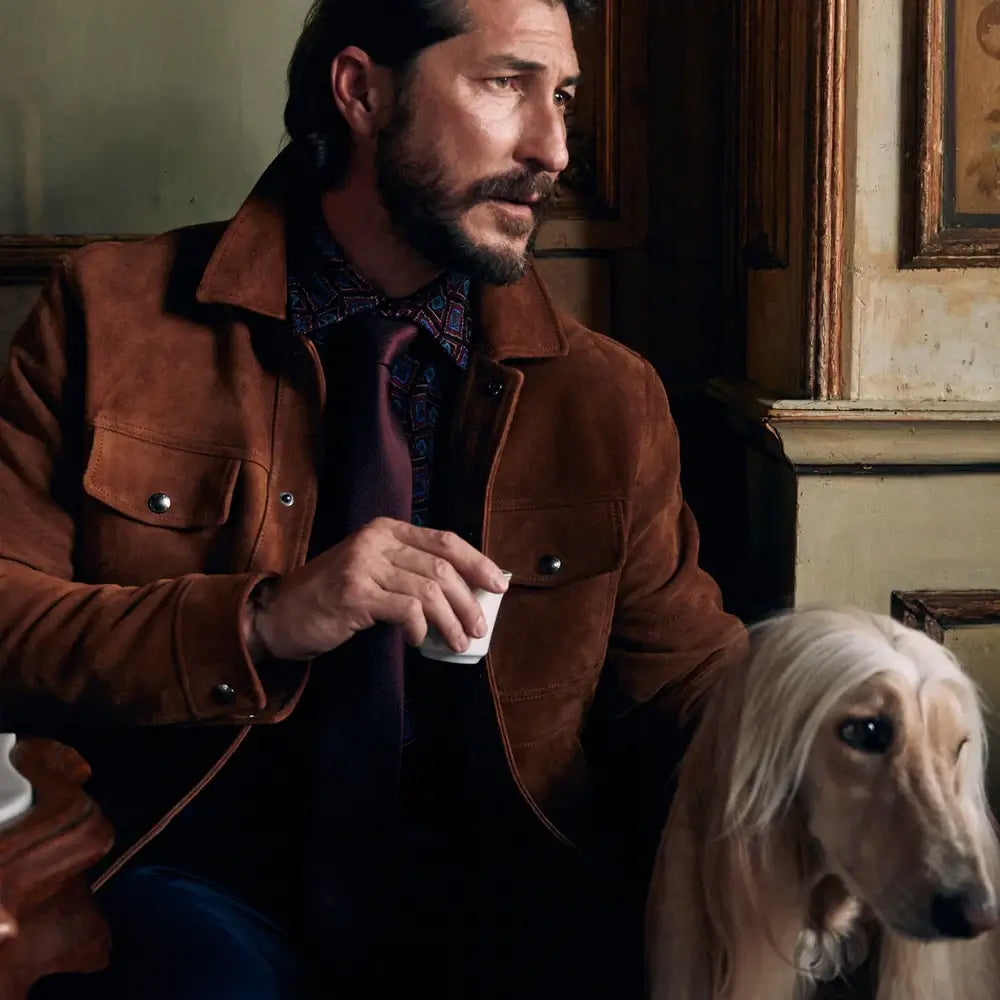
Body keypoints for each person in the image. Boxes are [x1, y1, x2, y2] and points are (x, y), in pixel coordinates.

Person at [6, 0, 747, 997]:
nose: (554, 147)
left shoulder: (608, 398)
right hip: (185, 868)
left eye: (562, 95)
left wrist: (846, 718)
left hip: (509, 896)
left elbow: (686, 690)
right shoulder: (108, 316)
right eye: (505, 84)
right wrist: (267, 618)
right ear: (360, 90)